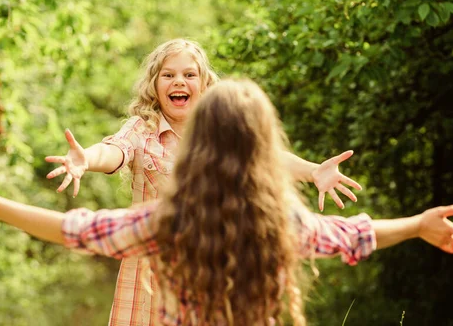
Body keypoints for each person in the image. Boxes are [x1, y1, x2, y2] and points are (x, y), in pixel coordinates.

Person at [0, 79, 453, 326]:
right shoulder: (279, 222)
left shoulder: (171, 221)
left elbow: (77, 228)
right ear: (263, 145)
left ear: (198, 146)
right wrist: (416, 225)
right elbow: (353, 234)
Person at [43, 39, 362, 325]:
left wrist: (314, 171)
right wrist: (87, 159)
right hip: (151, 266)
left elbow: (265, 157)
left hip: (211, 261)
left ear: (204, 83)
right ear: (154, 85)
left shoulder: (219, 130)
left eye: (188, 75)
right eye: (168, 75)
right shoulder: (142, 129)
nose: (178, 81)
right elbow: (114, 152)